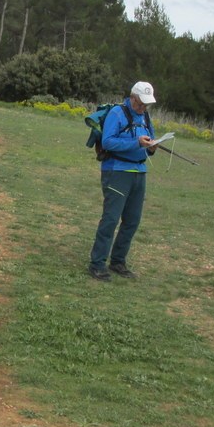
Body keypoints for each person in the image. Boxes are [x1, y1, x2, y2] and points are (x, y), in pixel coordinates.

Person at [88, 80, 159, 282]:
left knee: (132, 220)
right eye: (140, 103)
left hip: (139, 171)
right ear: (132, 97)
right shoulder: (117, 114)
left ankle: (118, 261)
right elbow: (108, 141)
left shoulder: (145, 116)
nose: (143, 107)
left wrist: (152, 147)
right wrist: (136, 142)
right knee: (111, 219)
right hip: (117, 171)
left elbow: (150, 139)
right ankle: (97, 264)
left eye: (146, 104)